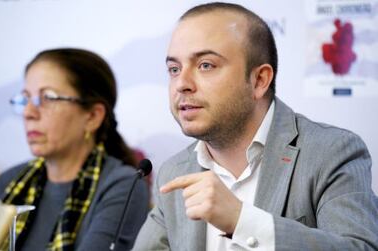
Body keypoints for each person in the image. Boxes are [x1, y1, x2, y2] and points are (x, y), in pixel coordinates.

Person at [133, 2, 378, 250]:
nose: (181, 84)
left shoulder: (331, 152)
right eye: (174, 69)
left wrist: (243, 221)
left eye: (206, 65)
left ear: (259, 80)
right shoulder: (174, 172)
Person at [0, 48, 149, 251]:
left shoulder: (124, 185)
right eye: (25, 99)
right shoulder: (9, 182)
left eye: (48, 98)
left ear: (92, 116)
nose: (29, 112)